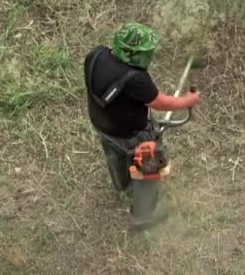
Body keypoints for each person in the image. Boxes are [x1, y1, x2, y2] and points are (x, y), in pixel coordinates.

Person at [83, 23, 199, 229]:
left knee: (114, 155)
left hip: (102, 126)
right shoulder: (136, 79)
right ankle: (144, 216)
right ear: (135, 55)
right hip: (131, 134)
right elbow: (162, 103)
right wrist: (187, 101)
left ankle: (122, 187)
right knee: (148, 167)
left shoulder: (96, 55)